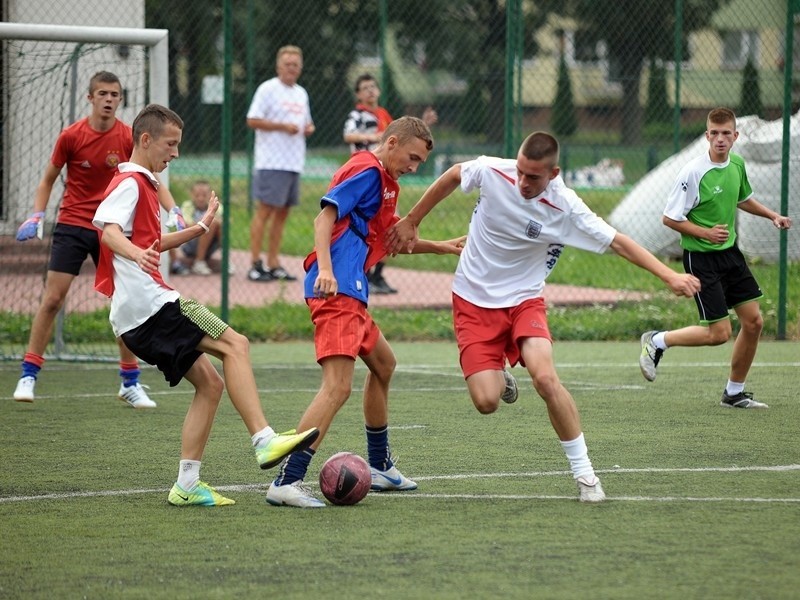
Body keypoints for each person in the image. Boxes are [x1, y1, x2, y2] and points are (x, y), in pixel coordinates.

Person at [386, 131, 702, 503]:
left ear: (554, 173)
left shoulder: (567, 207)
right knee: (486, 402)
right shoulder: (493, 171)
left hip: (524, 301)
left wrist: (669, 275)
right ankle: (499, 373)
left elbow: (619, 242)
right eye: (520, 171)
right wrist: (412, 219)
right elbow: (455, 174)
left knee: (546, 378)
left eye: (532, 177)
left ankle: (586, 476)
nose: (521, 182)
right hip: (472, 299)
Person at [92, 103, 319, 506]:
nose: (175, 153)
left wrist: (200, 226)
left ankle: (187, 484)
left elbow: (152, 242)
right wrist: (134, 253)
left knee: (211, 383)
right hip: (154, 305)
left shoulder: (142, 184)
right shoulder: (129, 182)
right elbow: (109, 233)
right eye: (171, 144)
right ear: (145, 140)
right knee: (237, 344)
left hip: (136, 317)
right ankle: (265, 440)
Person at [265, 116, 464, 508]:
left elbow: (391, 237)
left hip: (351, 290)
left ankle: (380, 468)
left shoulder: (386, 183)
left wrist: (440, 246)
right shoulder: (366, 170)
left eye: (420, 162)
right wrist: (325, 269)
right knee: (337, 387)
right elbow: (324, 218)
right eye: (411, 157)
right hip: (336, 289)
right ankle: (285, 481)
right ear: (391, 143)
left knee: (384, 365)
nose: (413, 167)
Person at [12, 71, 185, 408]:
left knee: (122, 301)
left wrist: (174, 209)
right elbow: (48, 179)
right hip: (73, 223)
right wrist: (36, 214)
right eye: (103, 93)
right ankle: (28, 374)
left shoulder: (127, 137)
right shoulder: (71, 136)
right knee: (52, 299)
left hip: (113, 229)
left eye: (115, 94)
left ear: (121, 100)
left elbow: (153, 177)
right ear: (90, 98)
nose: (109, 99)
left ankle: (130, 381)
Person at [638, 107, 792, 409]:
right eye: (715, 133)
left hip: (730, 256)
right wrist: (705, 233)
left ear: (736, 136)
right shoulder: (693, 172)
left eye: (726, 134)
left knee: (754, 322)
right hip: (701, 259)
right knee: (718, 334)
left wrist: (772, 215)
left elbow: (742, 197)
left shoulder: (736, 163)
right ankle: (657, 340)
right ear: (707, 135)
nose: (720, 139)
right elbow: (670, 218)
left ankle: (734, 392)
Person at [343, 73, 438, 294]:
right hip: (368, 178)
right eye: (365, 88)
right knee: (365, 226)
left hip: (385, 178)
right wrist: (375, 137)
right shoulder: (358, 115)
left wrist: (422, 122)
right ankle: (363, 272)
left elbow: (404, 136)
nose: (370, 91)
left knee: (390, 227)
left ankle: (377, 275)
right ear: (358, 94)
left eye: (373, 86)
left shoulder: (383, 114)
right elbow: (348, 135)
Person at [245, 45, 315, 283]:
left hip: (293, 161)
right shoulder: (268, 89)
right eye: (287, 64)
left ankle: (273, 263)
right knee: (264, 211)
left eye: (296, 65)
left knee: (282, 213)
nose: (292, 69)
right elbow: (252, 119)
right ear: (279, 66)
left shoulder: (301, 93)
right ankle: (255, 263)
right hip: (271, 161)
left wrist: (308, 128)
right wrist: (282, 126)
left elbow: (307, 122)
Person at [169, 180, 223, 276]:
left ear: (210, 195)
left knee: (218, 225)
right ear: (192, 195)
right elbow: (186, 226)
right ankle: (199, 262)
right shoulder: (187, 206)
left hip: (211, 243)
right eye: (197, 195)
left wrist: (209, 223)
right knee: (210, 223)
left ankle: (225, 259)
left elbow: (223, 223)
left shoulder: (216, 205)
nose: (201, 198)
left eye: (204, 195)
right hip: (191, 243)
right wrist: (205, 223)